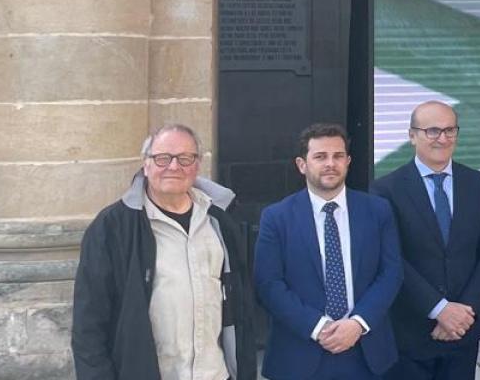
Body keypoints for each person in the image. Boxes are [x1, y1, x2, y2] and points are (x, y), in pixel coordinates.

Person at [72, 124, 257, 380]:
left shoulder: (220, 222)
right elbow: (89, 323)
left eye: (185, 158)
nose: (173, 167)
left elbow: (242, 307)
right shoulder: (113, 227)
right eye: (162, 158)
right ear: (145, 164)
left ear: (197, 164)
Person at [256, 123, 403, 380]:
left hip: (366, 350)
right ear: (302, 165)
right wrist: (319, 327)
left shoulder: (377, 211)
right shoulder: (277, 217)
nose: (330, 164)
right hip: (301, 353)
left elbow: (391, 273)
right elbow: (268, 284)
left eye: (338, 156)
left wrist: (358, 323)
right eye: (320, 156)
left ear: (348, 161)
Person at [372, 101, 480, 380]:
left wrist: (462, 311)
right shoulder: (385, 189)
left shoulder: (479, 183)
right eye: (432, 131)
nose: (442, 139)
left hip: (463, 331)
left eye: (449, 130)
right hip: (411, 331)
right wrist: (440, 309)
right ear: (412, 136)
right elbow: (392, 259)